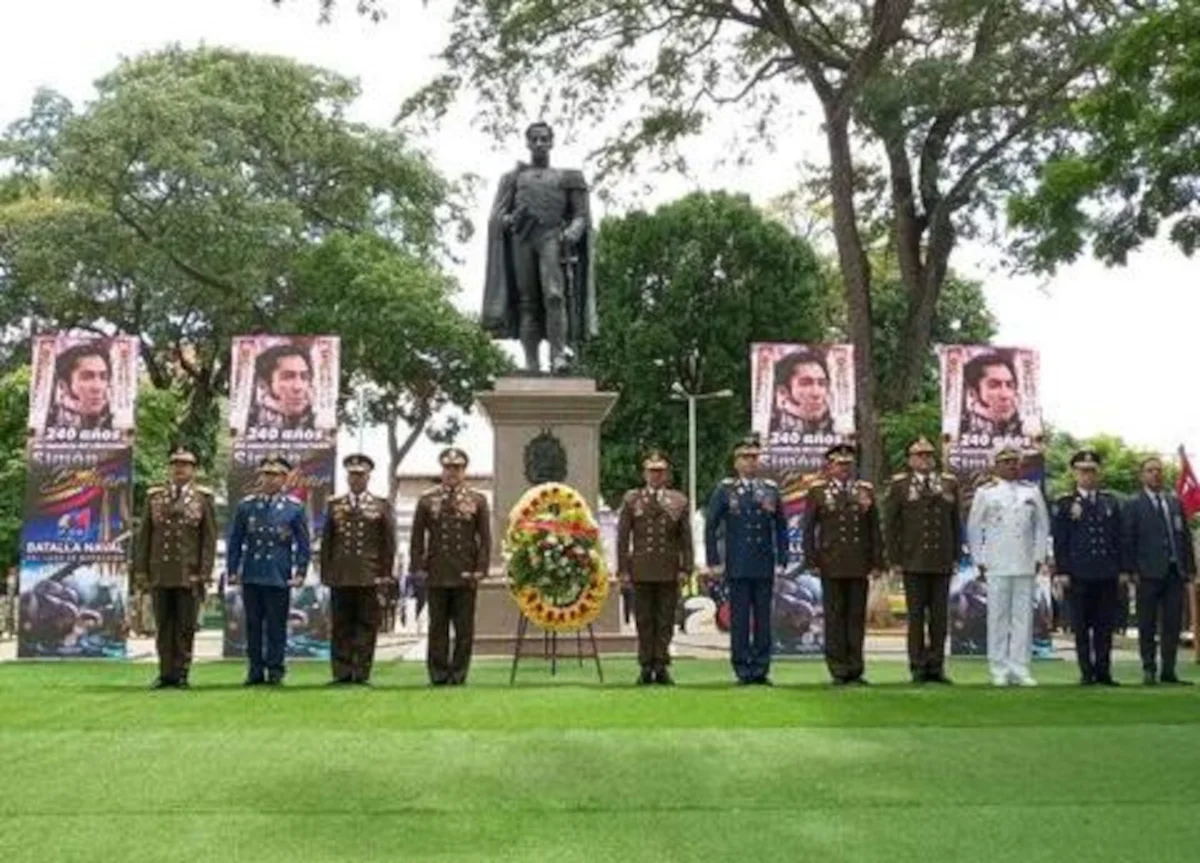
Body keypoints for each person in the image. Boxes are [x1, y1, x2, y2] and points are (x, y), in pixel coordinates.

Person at [481, 121, 597, 374]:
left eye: (544, 139)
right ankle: (531, 363)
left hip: (552, 237)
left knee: (555, 295)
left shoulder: (567, 178)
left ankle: (558, 357)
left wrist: (573, 231)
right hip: (522, 239)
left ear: (552, 142)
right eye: (534, 139)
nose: (539, 144)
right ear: (527, 143)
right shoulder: (513, 179)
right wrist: (509, 219)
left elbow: (581, 215)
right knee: (527, 302)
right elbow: (497, 215)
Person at [704, 434, 788, 685]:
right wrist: (714, 560)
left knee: (763, 619)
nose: (751, 462)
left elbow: (780, 525)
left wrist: (782, 556)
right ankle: (742, 668)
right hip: (738, 563)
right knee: (739, 619)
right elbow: (711, 525)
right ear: (736, 462)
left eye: (754, 457)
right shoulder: (726, 489)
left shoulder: (769, 489)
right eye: (745, 457)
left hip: (763, 563)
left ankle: (761, 668)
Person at [132, 446, 217, 689]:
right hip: (160, 571)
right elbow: (144, 536)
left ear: (193, 470)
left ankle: (181, 673)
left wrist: (204, 572)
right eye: (175, 465)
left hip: (188, 573)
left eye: (185, 465)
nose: (179, 469)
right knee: (163, 625)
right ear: (170, 468)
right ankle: (164, 672)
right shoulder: (155, 497)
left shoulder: (203, 499)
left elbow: (208, 539)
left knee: (185, 626)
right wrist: (142, 570)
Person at [966, 446, 1050, 687]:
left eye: (1015, 462)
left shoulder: (1031, 491)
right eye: (1007, 462)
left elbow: (1042, 526)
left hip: (1024, 561)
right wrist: (979, 559)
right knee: (998, 616)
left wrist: (1039, 555)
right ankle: (999, 668)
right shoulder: (986, 493)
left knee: (1023, 617)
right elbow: (974, 526)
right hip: (997, 561)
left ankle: (1021, 667)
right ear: (996, 466)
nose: (1012, 466)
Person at [408, 447, 491, 686]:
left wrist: (481, 569)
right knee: (438, 627)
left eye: (457, 468)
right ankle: (438, 673)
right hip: (437, 572)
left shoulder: (477, 500)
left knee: (464, 629)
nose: (452, 473)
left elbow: (484, 538)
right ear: (442, 470)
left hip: (465, 573)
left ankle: (459, 673)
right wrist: (418, 569)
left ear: (464, 471)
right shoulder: (427, 500)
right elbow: (417, 538)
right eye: (448, 468)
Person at [226, 455, 311, 686]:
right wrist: (232, 569)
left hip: (278, 574)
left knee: (276, 625)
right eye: (266, 474)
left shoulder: (294, 508)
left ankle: (275, 669)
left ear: (284, 479)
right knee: (253, 625)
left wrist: (301, 572)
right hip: (253, 572)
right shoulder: (247, 505)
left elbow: (304, 543)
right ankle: (255, 670)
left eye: (275, 475)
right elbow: (235, 540)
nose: (269, 479)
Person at [803, 443, 884, 685]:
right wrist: (812, 559)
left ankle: (856, 668)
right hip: (832, 563)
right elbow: (809, 529)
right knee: (835, 617)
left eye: (848, 464)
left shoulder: (864, 490)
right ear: (829, 466)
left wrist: (878, 561)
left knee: (856, 617)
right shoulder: (818, 492)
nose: (844, 469)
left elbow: (874, 529)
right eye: (839, 464)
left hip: (858, 562)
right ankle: (838, 668)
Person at [883, 437, 960, 684]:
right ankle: (917, 666)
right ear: (910, 460)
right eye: (919, 455)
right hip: (913, 560)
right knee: (916, 618)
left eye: (928, 455)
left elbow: (955, 524)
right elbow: (891, 525)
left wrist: (956, 555)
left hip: (941, 560)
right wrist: (895, 559)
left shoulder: (948, 484)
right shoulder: (900, 486)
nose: (924, 460)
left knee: (939, 618)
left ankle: (936, 666)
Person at [616, 450, 694, 685]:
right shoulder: (632, 499)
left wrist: (686, 568)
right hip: (641, 568)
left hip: (668, 569)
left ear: (666, 474)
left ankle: (661, 665)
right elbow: (623, 537)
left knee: (665, 619)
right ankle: (645, 665)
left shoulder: (678, 501)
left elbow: (685, 539)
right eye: (652, 471)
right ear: (644, 473)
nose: (656, 476)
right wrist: (623, 570)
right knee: (644, 620)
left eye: (660, 471)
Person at [319, 454, 397, 686]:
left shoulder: (380, 505)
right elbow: (327, 543)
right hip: (341, 575)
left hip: (369, 575)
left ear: (368, 477)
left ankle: (361, 672)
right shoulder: (335, 505)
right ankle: (342, 672)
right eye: (352, 475)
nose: (356, 480)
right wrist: (327, 573)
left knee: (366, 626)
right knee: (341, 626)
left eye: (360, 475)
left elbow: (388, 543)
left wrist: (385, 574)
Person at [1051, 449, 1125, 686]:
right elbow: (1060, 540)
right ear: (1074, 474)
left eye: (1092, 471)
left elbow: (1118, 537)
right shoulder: (1065, 503)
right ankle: (1086, 671)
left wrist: (1122, 569)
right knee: (1081, 626)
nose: (1088, 476)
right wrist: (1062, 571)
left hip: (1106, 571)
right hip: (1079, 572)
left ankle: (1104, 671)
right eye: (1083, 471)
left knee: (1104, 626)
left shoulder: (1110, 502)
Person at [1123, 456, 1197, 685]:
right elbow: (1128, 539)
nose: (1155, 474)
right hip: (1147, 572)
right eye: (1150, 470)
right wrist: (1130, 569)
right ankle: (1148, 668)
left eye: (1158, 470)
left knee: (1172, 623)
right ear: (1142, 475)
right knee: (1147, 623)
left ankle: (1169, 670)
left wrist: (1190, 568)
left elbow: (1184, 537)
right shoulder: (1134, 504)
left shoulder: (1174, 503)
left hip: (1174, 572)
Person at [46, 341, 113, 430]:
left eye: (103, 377)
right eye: (87, 377)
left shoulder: (117, 423)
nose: (97, 387)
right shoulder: (47, 425)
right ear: (64, 386)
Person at [247, 344, 315, 430]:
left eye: (304, 377)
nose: (298, 387)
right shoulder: (248, 424)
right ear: (263, 384)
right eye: (288, 377)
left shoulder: (319, 423)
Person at [960, 351, 1022, 438]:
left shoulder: (1026, 430)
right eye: (994, 386)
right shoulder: (958, 431)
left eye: (1009, 385)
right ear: (973, 393)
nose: (1005, 395)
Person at [770, 348, 833, 434]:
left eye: (822, 384)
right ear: (783, 392)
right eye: (805, 384)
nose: (816, 393)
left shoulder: (840, 429)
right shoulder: (768, 431)